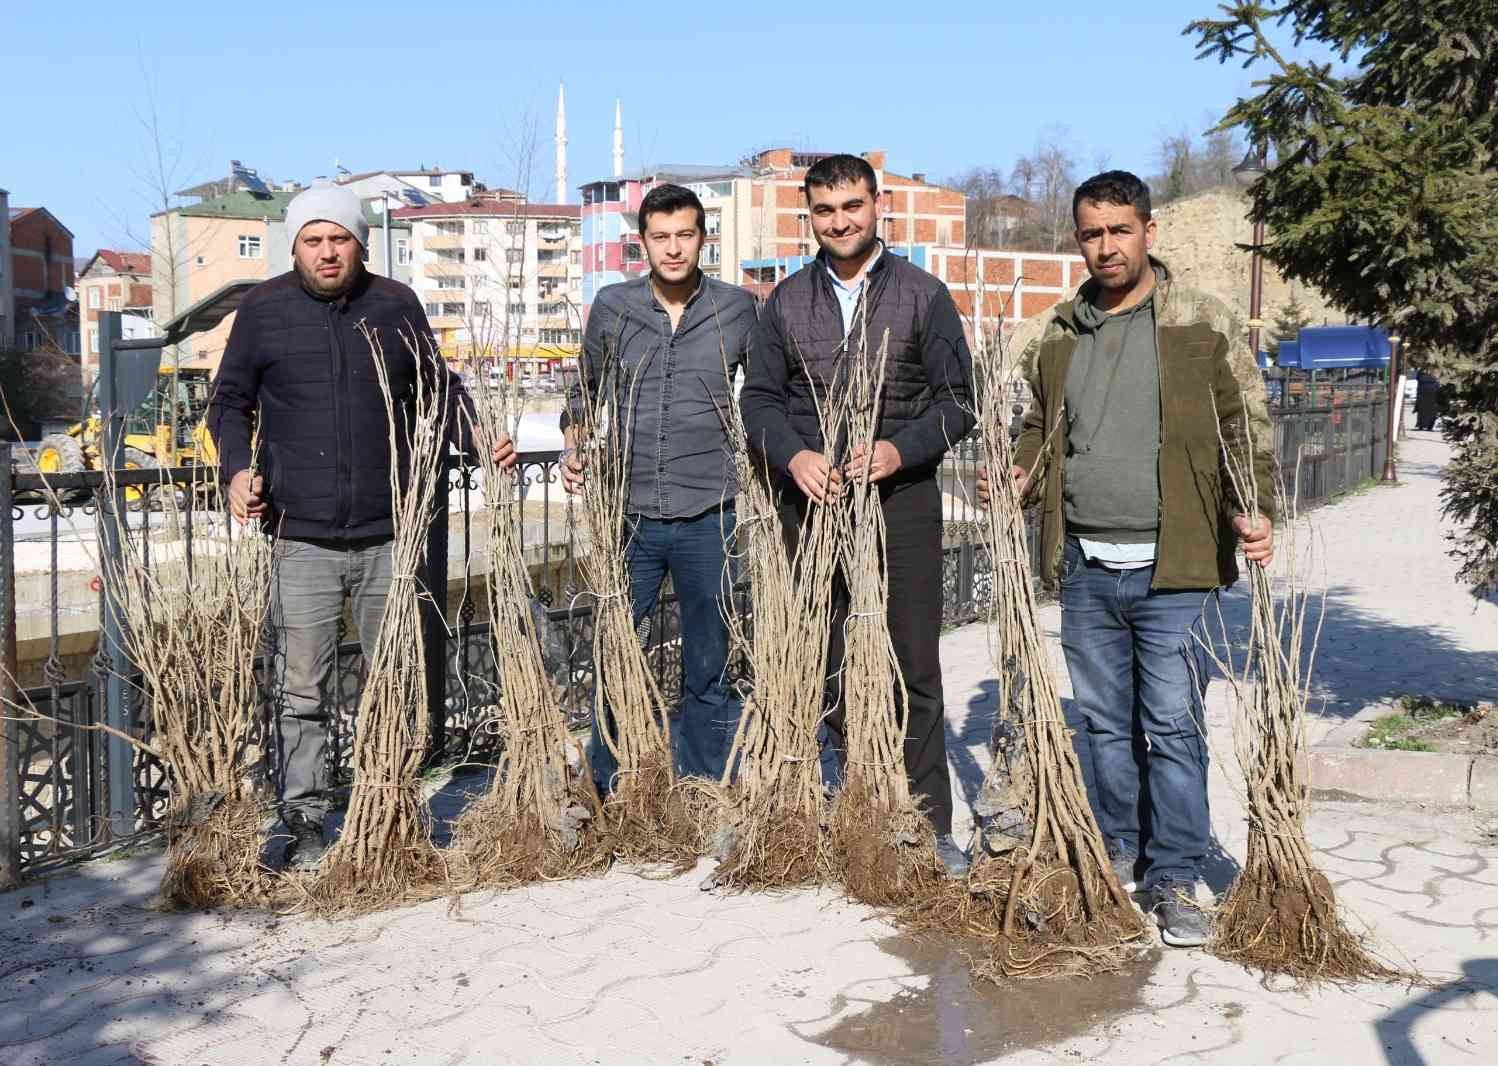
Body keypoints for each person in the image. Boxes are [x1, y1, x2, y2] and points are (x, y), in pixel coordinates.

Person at [978, 170, 1278, 945]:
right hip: (1084, 565)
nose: (1106, 246)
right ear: (1078, 239)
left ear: (1149, 232)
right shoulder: (1060, 332)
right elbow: (1042, 428)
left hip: (1173, 567)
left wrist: (1259, 509)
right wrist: (1020, 473)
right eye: (1091, 233)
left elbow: (1248, 428)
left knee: (1172, 724)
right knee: (1106, 725)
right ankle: (1120, 849)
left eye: (1120, 230)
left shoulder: (1201, 324)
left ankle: (1177, 874)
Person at [207, 180, 515, 868]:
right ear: (295, 247)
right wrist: (235, 469)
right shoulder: (263, 311)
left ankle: (389, 808)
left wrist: (477, 435)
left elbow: (440, 389)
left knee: (393, 684)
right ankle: (304, 817)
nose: (326, 252)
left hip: (389, 535)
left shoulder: (395, 304)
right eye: (313, 241)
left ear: (360, 243)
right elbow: (228, 401)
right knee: (301, 690)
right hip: (300, 533)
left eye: (338, 238)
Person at [740, 153, 975, 876]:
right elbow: (759, 401)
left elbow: (960, 403)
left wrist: (898, 452)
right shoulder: (783, 303)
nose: (840, 221)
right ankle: (852, 806)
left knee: (914, 663)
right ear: (808, 216)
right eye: (825, 210)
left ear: (879, 207)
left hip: (900, 503)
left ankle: (929, 820)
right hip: (812, 507)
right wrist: (793, 456)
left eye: (853, 206)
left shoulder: (923, 295)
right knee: (823, 663)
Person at [559, 183, 757, 790]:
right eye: (661, 237)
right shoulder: (614, 307)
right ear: (642, 242)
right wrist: (575, 443)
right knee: (619, 651)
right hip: (631, 510)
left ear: (703, 238)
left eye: (685, 235)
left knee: (708, 660)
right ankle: (611, 781)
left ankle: (701, 785)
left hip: (710, 508)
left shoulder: (739, 308)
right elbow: (586, 391)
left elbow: (772, 393)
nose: (674, 249)